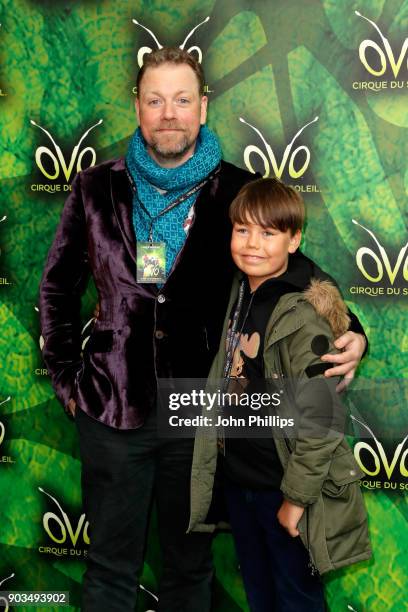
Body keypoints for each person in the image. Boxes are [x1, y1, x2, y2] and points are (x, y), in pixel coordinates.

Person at [39, 47, 367, 611]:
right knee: (110, 570)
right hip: (110, 408)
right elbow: (56, 289)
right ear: (138, 108)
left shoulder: (239, 191)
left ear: (203, 107)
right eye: (156, 100)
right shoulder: (95, 188)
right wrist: (70, 384)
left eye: (182, 100)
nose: (170, 113)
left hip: (199, 418)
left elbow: (300, 274)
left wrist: (354, 328)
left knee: (189, 574)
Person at [188, 178, 371, 612]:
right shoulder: (240, 290)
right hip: (242, 484)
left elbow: (320, 422)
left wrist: (295, 501)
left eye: (269, 233)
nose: (252, 244)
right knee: (261, 594)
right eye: (242, 230)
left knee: (296, 598)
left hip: (284, 490)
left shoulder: (303, 314)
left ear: (295, 241)